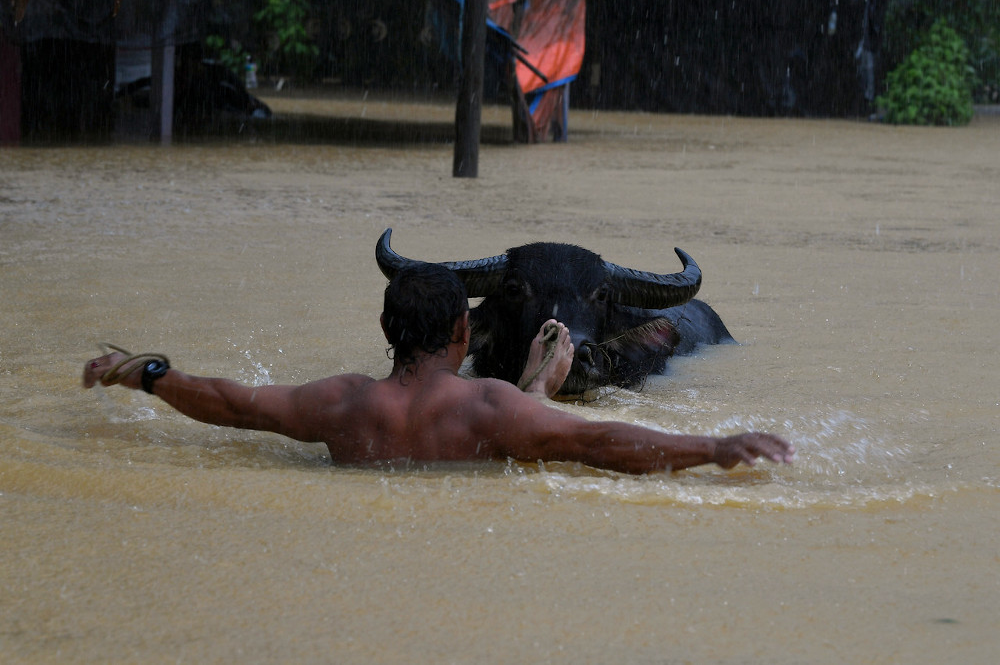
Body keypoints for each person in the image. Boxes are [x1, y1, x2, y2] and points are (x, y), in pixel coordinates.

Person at [82, 263, 794, 474]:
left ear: (387, 331)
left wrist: (144, 373)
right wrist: (713, 447)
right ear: (464, 329)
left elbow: (232, 404)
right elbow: (598, 443)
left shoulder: (339, 404)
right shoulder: (491, 410)